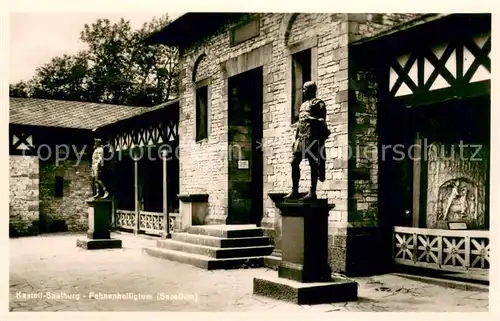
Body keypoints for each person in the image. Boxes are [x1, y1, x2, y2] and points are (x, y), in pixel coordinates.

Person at [284, 81, 330, 201]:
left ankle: (312, 192)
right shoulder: (303, 105)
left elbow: (322, 122)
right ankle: (294, 190)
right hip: (301, 138)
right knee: (294, 162)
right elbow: (300, 124)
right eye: (303, 89)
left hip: (311, 138)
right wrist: (295, 139)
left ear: (311, 90)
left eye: (305, 89)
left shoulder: (319, 104)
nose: (303, 91)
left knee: (313, 164)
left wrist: (311, 118)